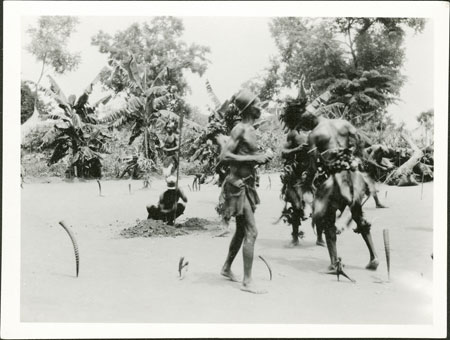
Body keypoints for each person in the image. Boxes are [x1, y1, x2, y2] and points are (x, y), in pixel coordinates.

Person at [299, 104, 379, 273]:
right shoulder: (343, 123)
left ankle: (334, 263)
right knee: (358, 215)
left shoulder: (314, 134)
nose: (305, 129)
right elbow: (361, 144)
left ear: (309, 122)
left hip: (334, 180)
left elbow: (313, 166)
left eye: (305, 126)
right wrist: (354, 162)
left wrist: (308, 183)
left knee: (328, 221)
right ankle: (374, 256)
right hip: (353, 176)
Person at [219, 89, 273, 294]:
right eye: (258, 104)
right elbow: (224, 157)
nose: (261, 107)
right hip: (236, 185)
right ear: (249, 107)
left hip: (247, 185)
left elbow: (247, 156)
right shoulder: (239, 129)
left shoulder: (251, 130)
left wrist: (261, 157)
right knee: (252, 231)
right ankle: (247, 281)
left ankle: (226, 268)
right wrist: (254, 159)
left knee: (242, 230)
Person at [279, 98, 325, 247]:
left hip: (314, 173)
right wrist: (296, 150)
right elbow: (283, 152)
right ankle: (295, 237)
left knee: (319, 207)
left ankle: (320, 237)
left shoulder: (316, 131)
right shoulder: (293, 134)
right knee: (296, 206)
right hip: (297, 174)